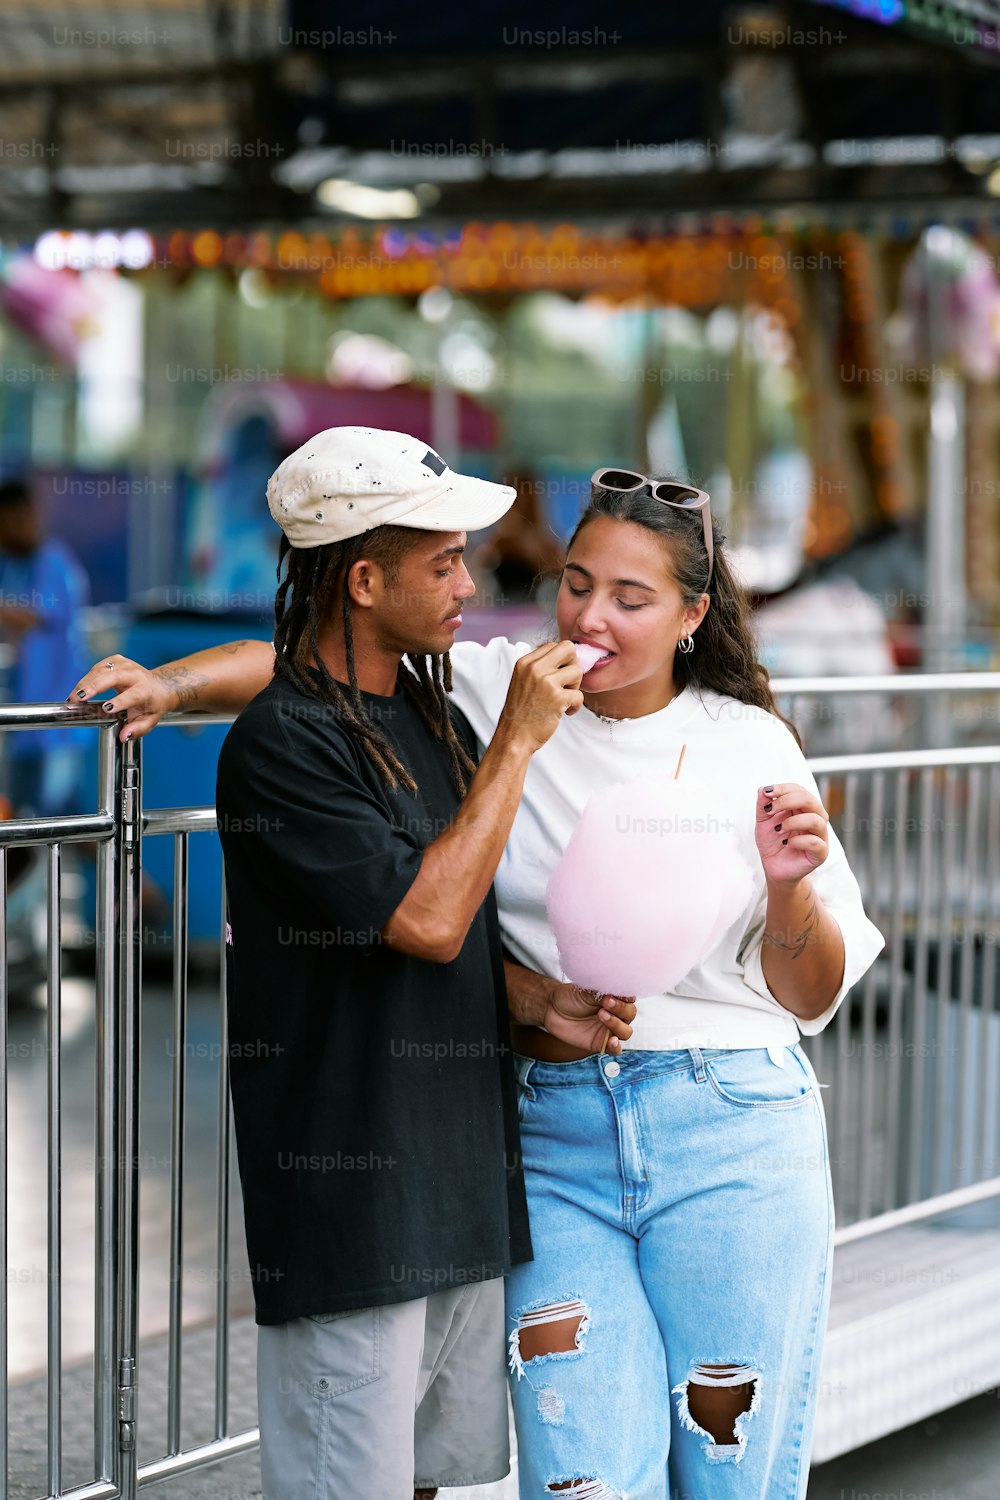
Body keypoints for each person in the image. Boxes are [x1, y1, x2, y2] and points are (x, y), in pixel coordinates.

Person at [72, 463, 885, 1500]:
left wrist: (789, 892)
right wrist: (172, 686)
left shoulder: (750, 743)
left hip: (727, 1124)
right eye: (576, 581)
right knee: (579, 1477)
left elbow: (811, 994)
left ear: (690, 615)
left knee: (730, 1474)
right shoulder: (500, 689)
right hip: (553, 1137)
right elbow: (300, 666)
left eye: (631, 599)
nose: (590, 614)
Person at [0, 476, 90, 813]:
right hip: (28, 725)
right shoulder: (12, 565)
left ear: (20, 515)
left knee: (61, 818)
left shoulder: (53, 563)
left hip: (57, 724)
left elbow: (36, 615)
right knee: (24, 820)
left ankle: (132, 868)